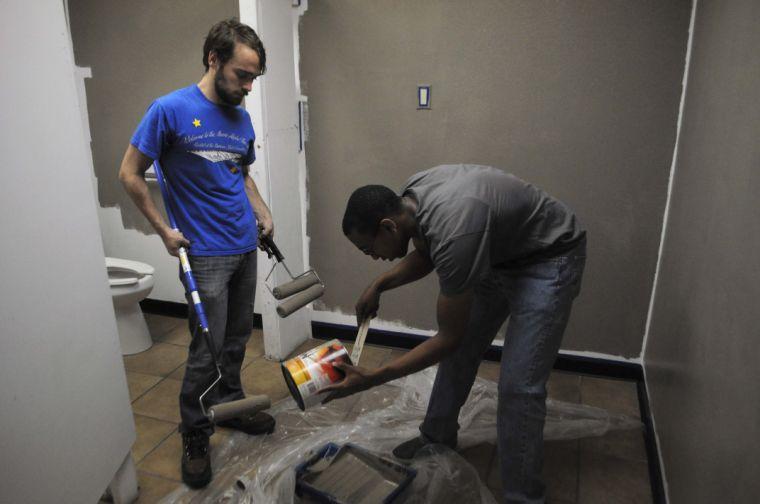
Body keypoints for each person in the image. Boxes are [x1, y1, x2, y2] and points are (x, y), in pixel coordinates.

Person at [324, 164, 587, 503]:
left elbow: (449, 337)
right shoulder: (411, 198)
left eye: (368, 248)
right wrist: (379, 284)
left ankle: (524, 497)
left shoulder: (456, 230)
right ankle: (437, 437)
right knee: (462, 353)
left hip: (549, 258)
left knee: (519, 387)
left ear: (388, 226)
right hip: (497, 255)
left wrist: (375, 376)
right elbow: (429, 253)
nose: (373, 256)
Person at [119, 19, 275, 489]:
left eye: (253, 78)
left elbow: (240, 174)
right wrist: (164, 231)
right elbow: (129, 173)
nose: (248, 88)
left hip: (244, 244)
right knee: (205, 350)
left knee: (236, 339)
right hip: (202, 252)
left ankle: (229, 406)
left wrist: (262, 212)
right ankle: (195, 430)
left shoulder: (241, 118)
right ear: (213, 59)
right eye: (242, 75)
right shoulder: (169, 109)